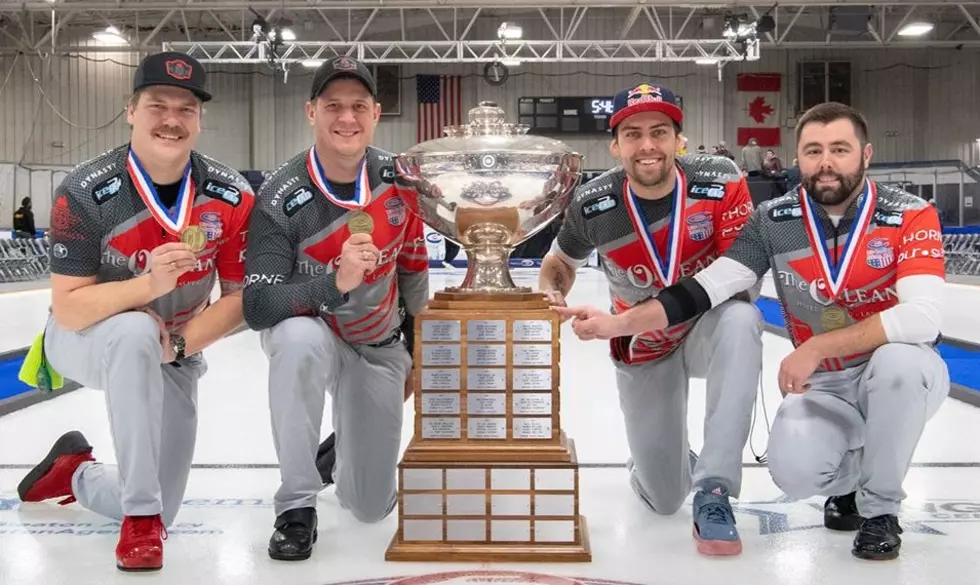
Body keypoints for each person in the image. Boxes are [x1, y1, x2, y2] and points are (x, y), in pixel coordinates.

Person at [559, 101, 949, 562]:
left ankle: (880, 509)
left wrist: (819, 345)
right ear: (795, 158)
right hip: (825, 382)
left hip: (896, 372)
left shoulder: (911, 213)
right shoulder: (774, 221)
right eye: (813, 151)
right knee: (793, 470)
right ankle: (848, 482)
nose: (826, 163)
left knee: (899, 363)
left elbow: (924, 318)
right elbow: (709, 285)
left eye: (839, 149)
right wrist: (618, 324)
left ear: (865, 154)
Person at [16, 51, 255, 571]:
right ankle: (138, 519)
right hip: (87, 337)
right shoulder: (84, 190)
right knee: (132, 331)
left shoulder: (232, 194)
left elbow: (238, 298)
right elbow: (69, 307)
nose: (171, 120)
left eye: (185, 108)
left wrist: (182, 344)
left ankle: (74, 474)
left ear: (200, 119)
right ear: (131, 111)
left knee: (163, 502)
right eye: (157, 105)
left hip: (176, 347)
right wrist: (146, 286)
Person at [539, 82, 763, 556]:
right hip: (644, 346)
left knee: (742, 319)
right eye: (633, 134)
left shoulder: (719, 180)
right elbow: (559, 263)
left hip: (701, 326)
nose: (647, 146)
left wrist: (624, 320)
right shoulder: (594, 202)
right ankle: (662, 459)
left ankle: (716, 488)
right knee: (663, 499)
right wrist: (551, 295)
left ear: (679, 140)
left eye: (659, 132)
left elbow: (744, 276)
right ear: (615, 145)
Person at [241, 56, 429, 562]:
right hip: (318, 336)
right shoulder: (279, 195)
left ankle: (340, 447)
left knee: (369, 508)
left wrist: (421, 350)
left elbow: (412, 272)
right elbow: (258, 306)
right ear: (310, 112)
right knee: (296, 341)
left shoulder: (402, 181)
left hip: (379, 343)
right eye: (333, 106)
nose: (346, 118)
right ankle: (296, 504)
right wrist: (335, 283)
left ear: (376, 113)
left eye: (358, 107)